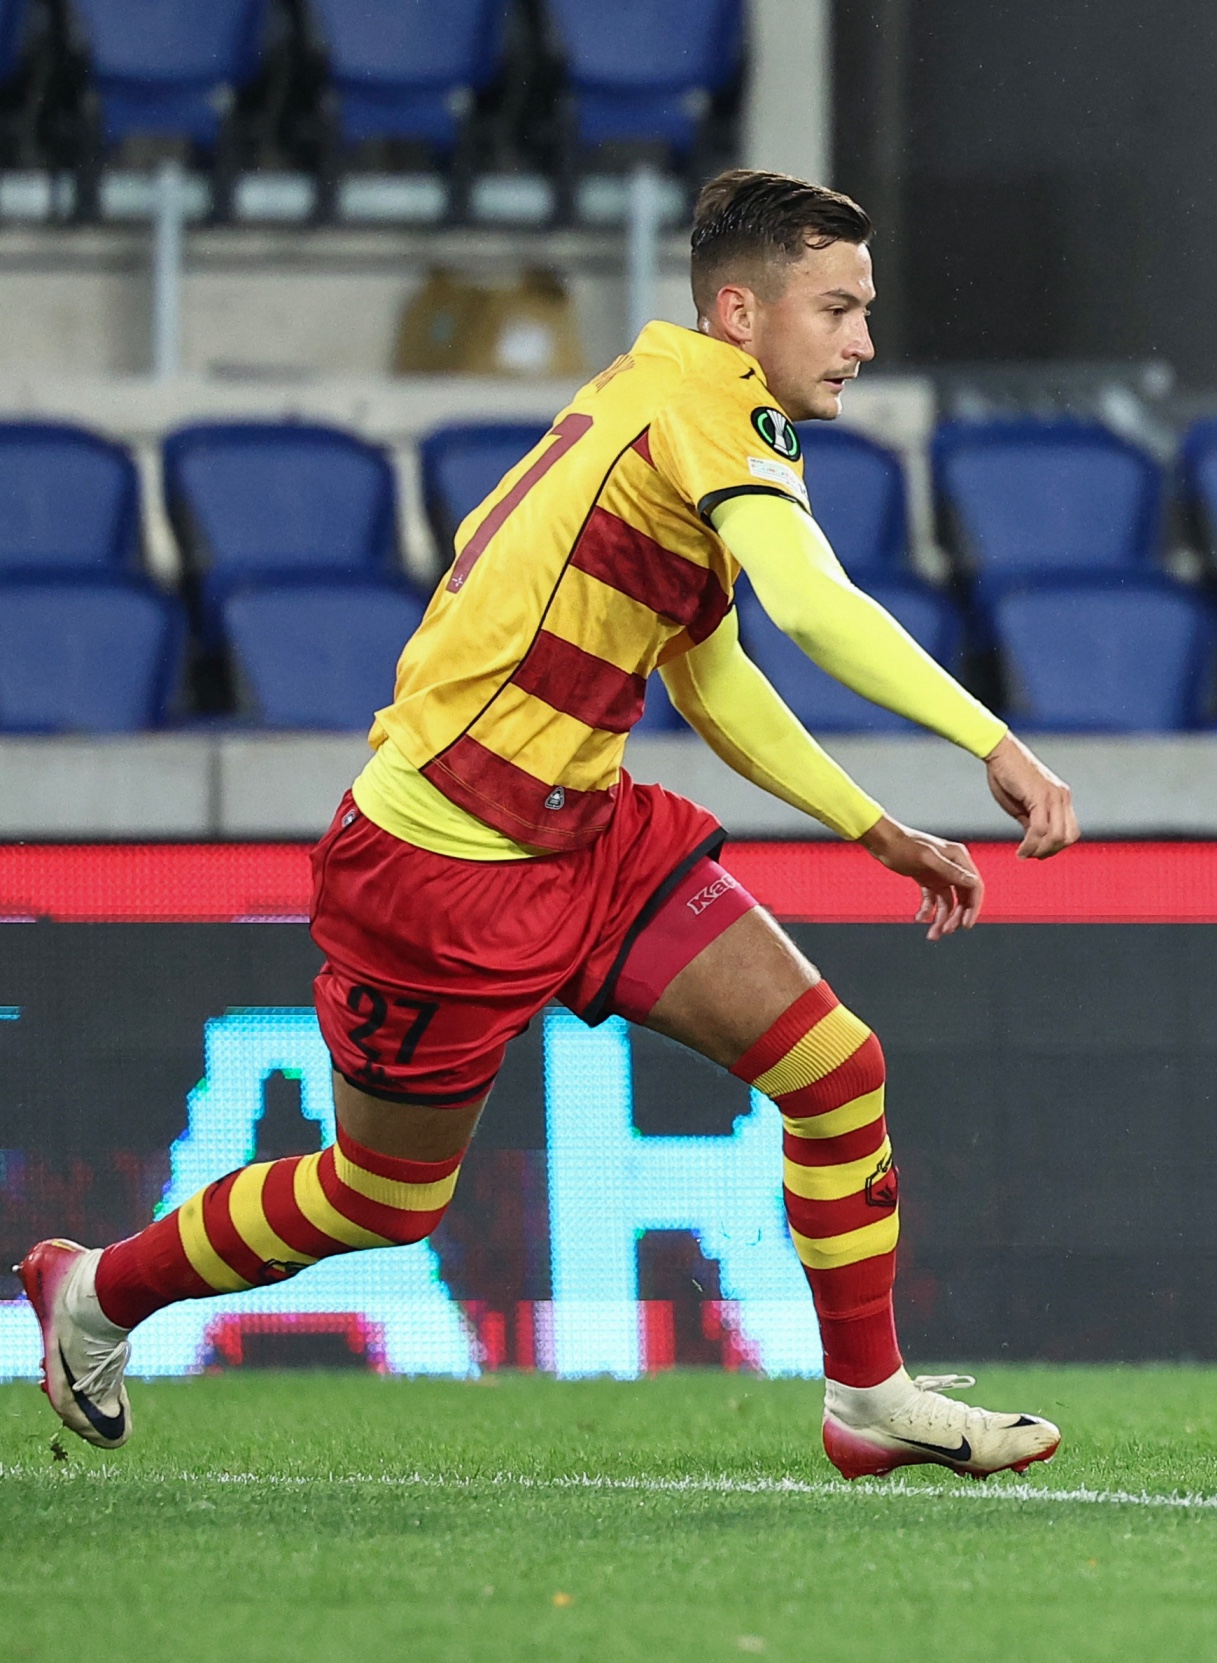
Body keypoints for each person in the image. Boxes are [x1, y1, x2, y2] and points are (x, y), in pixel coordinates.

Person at [17, 170, 1076, 1481]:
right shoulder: (708, 415)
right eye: (839, 309)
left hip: (587, 831)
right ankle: (96, 1295)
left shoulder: (670, 397)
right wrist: (994, 741)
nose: (863, 341)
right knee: (382, 1197)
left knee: (835, 1067)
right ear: (740, 312)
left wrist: (874, 827)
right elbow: (811, 606)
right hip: (440, 860)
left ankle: (867, 1399)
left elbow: (717, 672)